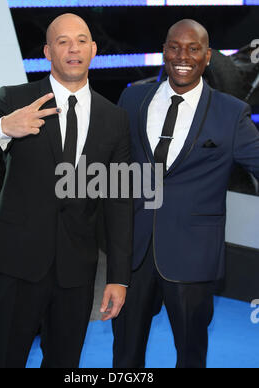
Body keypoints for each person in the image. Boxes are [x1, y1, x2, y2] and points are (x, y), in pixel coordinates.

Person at [0, 13, 132, 368]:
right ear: (48, 52)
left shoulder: (114, 118)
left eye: (82, 40)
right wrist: (4, 128)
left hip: (77, 271)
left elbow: (119, 201)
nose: (73, 49)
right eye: (63, 41)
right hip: (14, 262)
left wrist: (118, 277)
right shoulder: (15, 99)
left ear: (94, 50)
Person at [112, 19, 259, 368]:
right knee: (124, 354)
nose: (183, 56)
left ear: (207, 57)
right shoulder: (133, 98)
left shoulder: (231, 112)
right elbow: (113, 165)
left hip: (193, 257)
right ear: (164, 51)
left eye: (193, 49)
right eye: (175, 47)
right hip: (133, 254)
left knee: (190, 354)